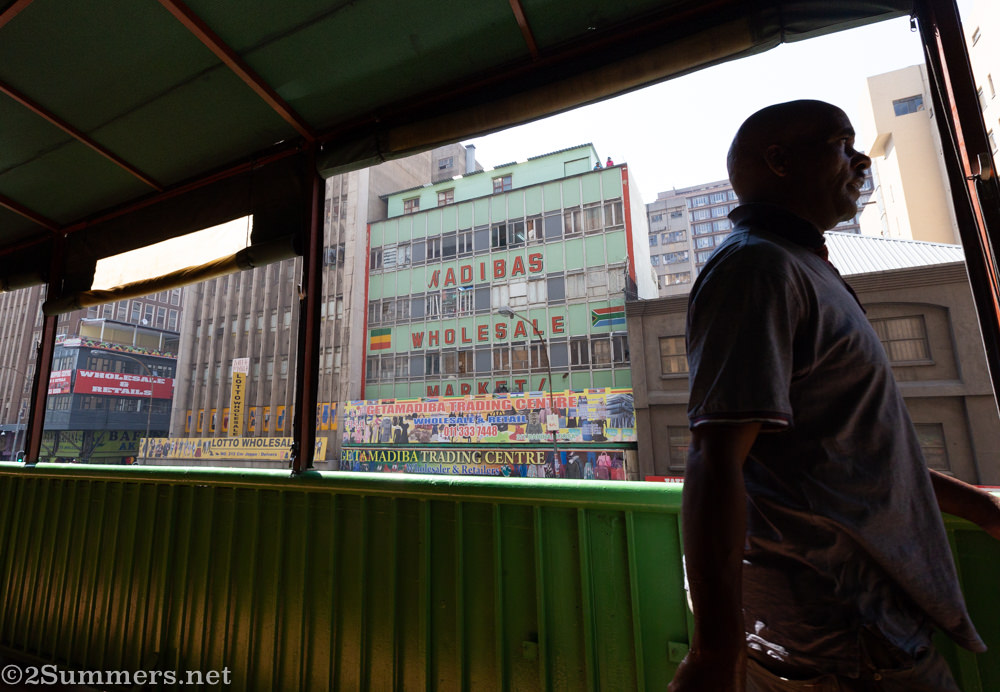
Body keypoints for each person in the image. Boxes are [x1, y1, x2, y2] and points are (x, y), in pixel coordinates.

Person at [670, 100, 1000, 692]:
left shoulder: (801, 265)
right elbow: (714, 457)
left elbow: (845, 452)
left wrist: (980, 506)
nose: (862, 160)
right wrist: (715, 654)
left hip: (866, 625)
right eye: (841, 144)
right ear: (778, 160)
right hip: (842, 636)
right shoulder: (756, 269)